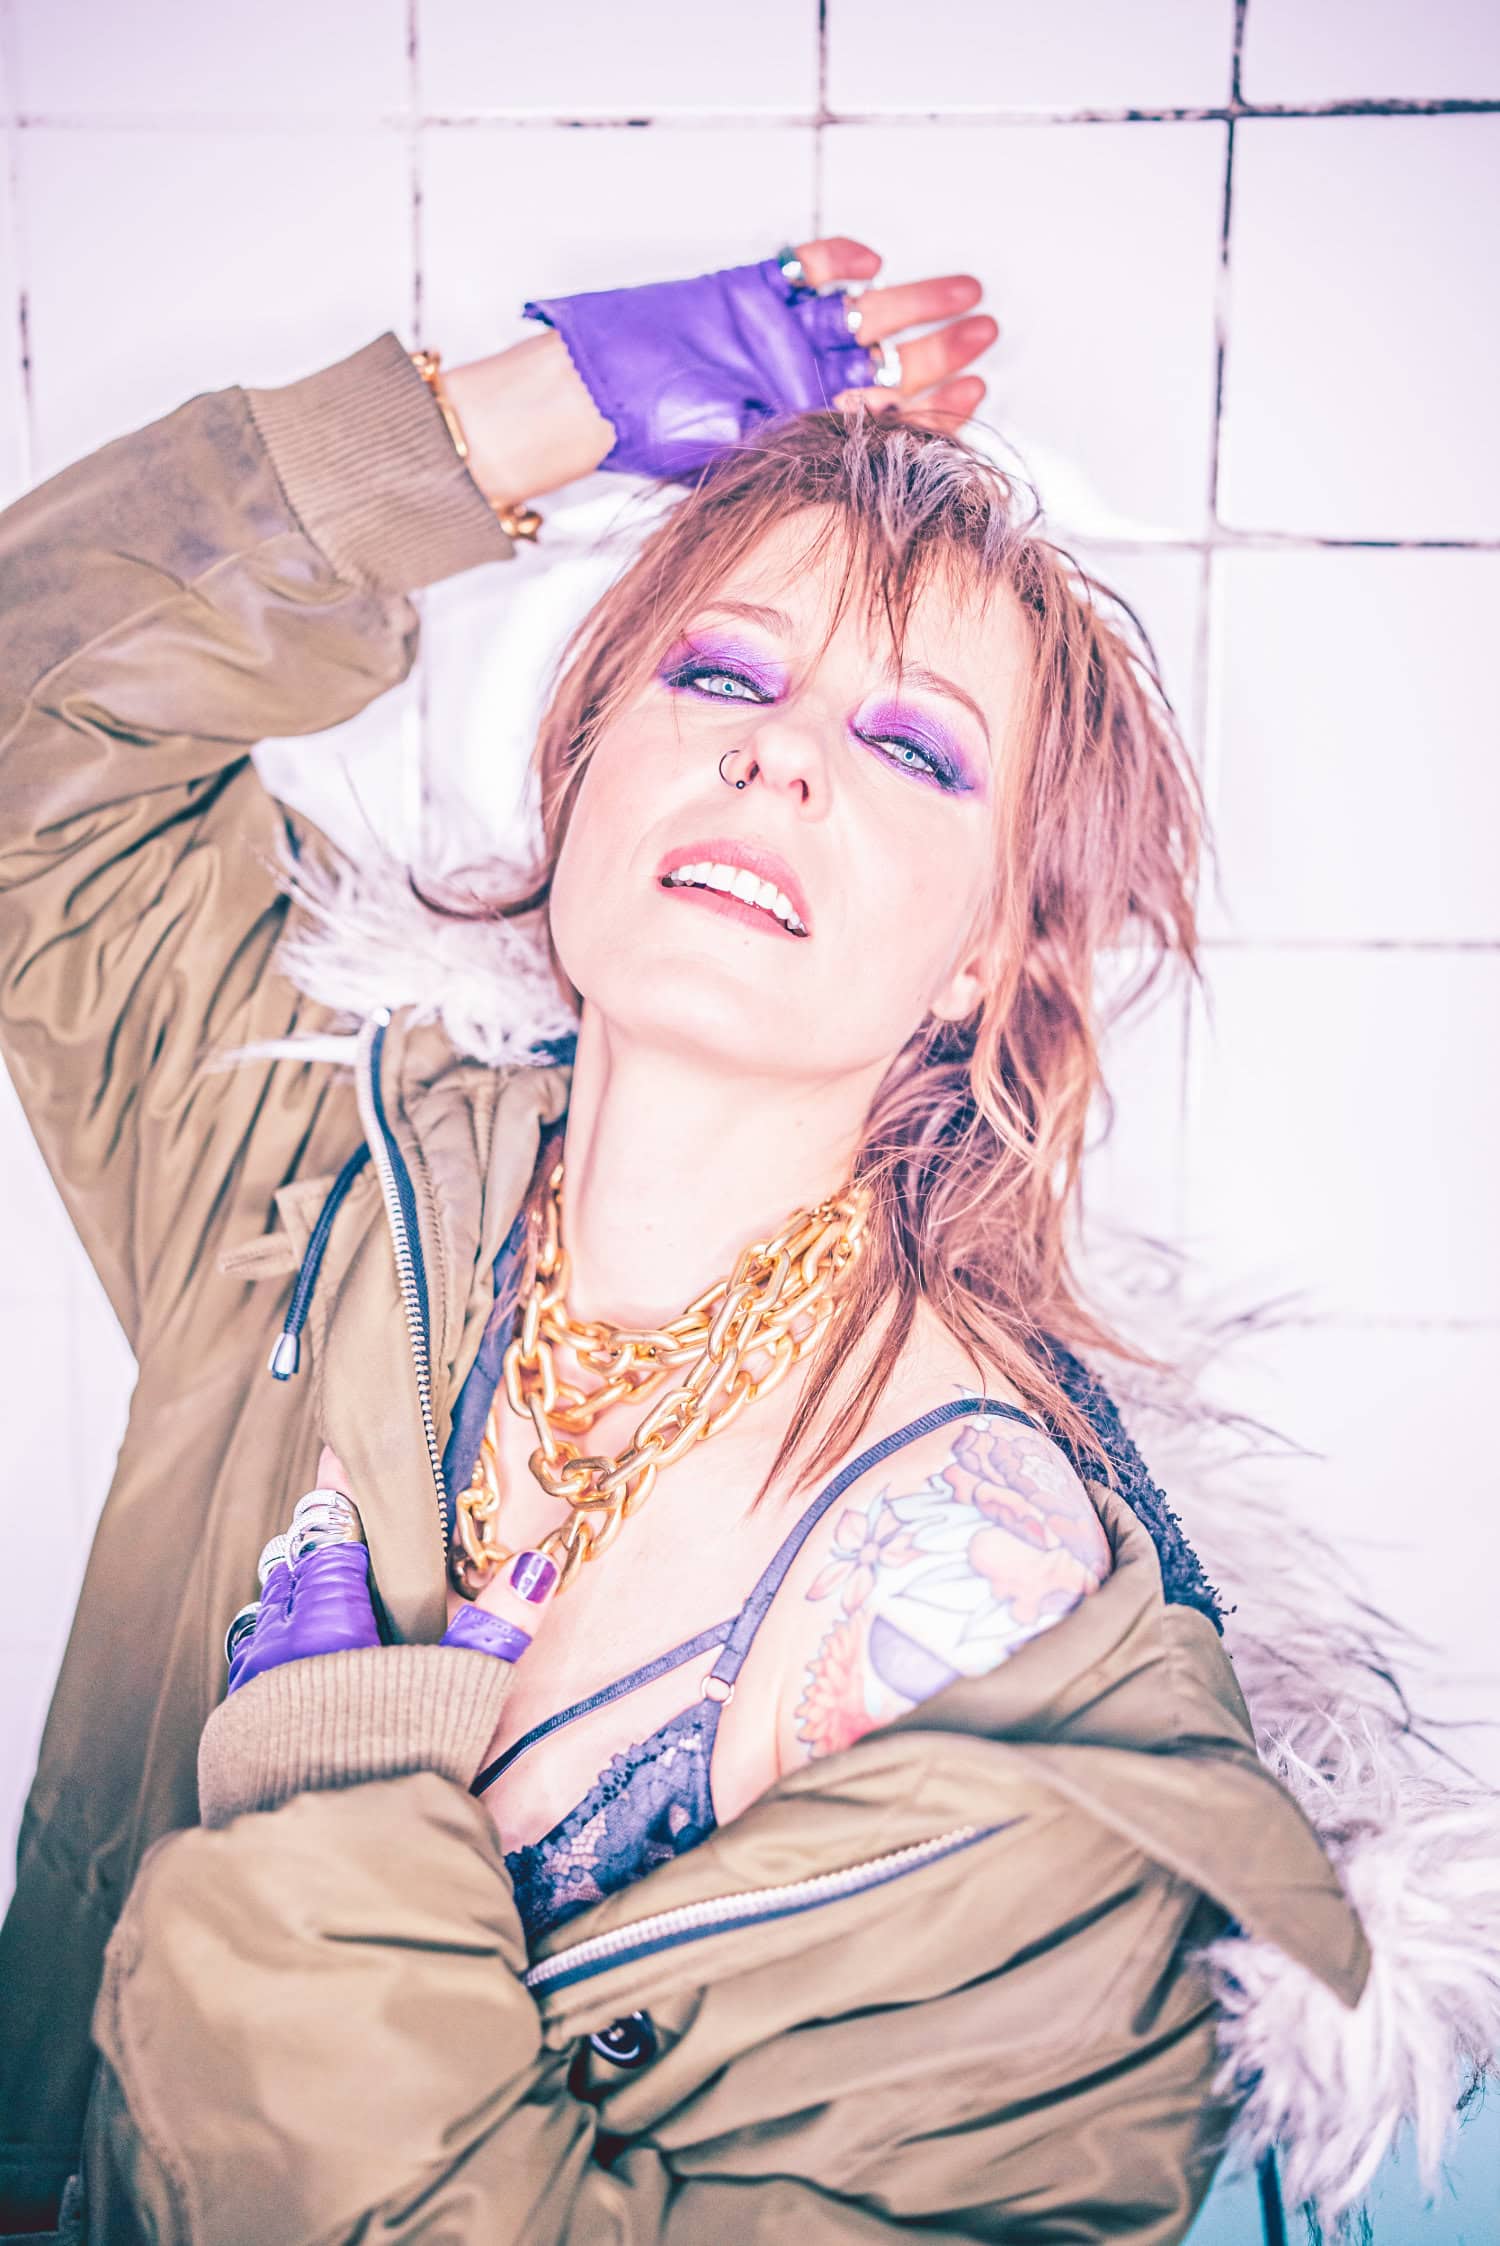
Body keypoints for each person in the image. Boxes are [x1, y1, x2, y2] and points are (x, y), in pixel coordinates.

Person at [0, 234, 1377, 2243]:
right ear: (578, 778)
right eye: (721, 673)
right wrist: (523, 411)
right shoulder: (303, 1165)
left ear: (985, 954)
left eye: (913, 749)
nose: (780, 747)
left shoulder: (1026, 1663)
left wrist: (331, 1825)